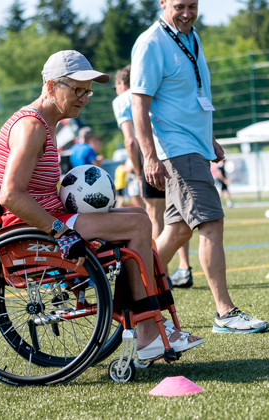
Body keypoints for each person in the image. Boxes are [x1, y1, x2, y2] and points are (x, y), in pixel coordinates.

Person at [0, 49, 202, 359]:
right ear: (51, 87)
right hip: (32, 228)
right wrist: (60, 232)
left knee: (138, 216)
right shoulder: (32, 127)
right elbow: (10, 195)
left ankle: (149, 325)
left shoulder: (46, 125)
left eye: (88, 90)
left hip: (49, 218)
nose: (85, 97)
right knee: (137, 223)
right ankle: (146, 332)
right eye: (77, 89)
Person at [131, 0, 268, 333]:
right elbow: (139, 101)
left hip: (195, 147)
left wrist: (210, 139)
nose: (187, 13)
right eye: (179, 6)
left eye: (193, 6)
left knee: (178, 230)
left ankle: (129, 291)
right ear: (163, 3)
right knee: (211, 223)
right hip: (178, 151)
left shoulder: (192, 36)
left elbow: (192, 97)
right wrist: (149, 155)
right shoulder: (151, 43)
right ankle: (225, 312)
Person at [112, 63, 193, 288]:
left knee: (156, 216)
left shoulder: (122, 99)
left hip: (152, 160)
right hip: (171, 155)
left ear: (121, 83)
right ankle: (184, 268)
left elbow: (130, 140)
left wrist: (139, 173)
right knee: (177, 215)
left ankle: (161, 273)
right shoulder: (153, 91)